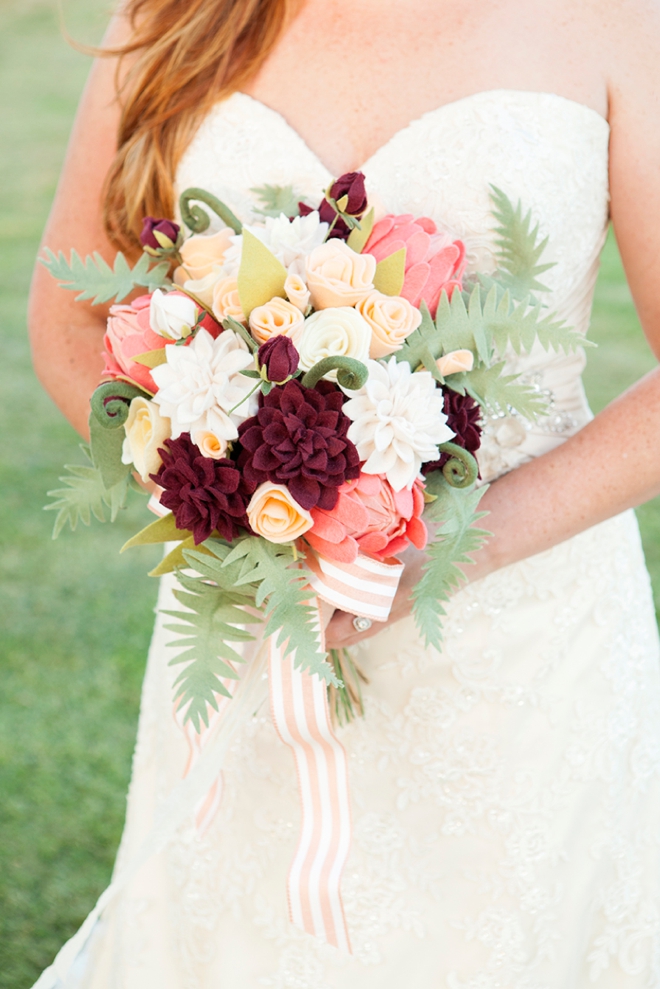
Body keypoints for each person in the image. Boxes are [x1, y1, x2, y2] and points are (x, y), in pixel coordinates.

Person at [28, 0, 660, 984]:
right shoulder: (171, 12)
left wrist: (458, 546)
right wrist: (219, 489)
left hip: (522, 656)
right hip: (252, 623)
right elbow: (71, 309)